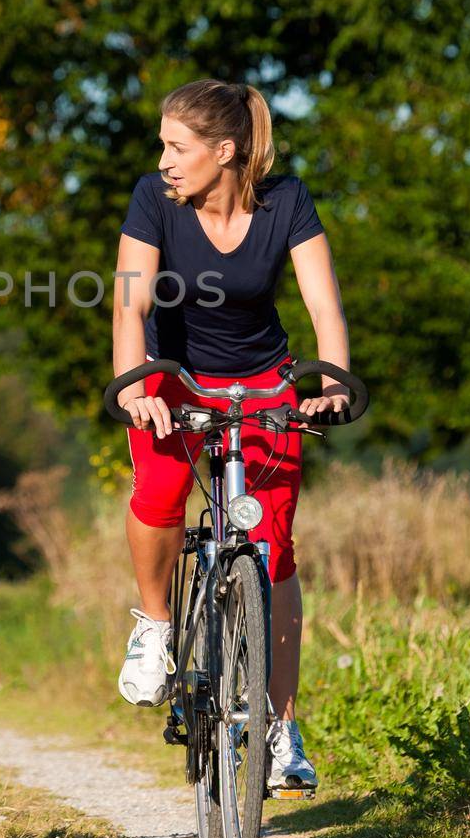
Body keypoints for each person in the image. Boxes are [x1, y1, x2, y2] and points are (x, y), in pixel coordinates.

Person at [112, 79, 352, 791]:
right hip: (172, 374)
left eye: (176, 147)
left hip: (260, 378)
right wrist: (133, 383)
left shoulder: (287, 203)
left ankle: (280, 727)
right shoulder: (154, 201)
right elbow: (129, 306)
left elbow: (321, 302)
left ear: (225, 151)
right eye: (162, 145)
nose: (164, 160)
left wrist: (330, 380)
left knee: (273, 553)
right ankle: (155, 627)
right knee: (158, 492)